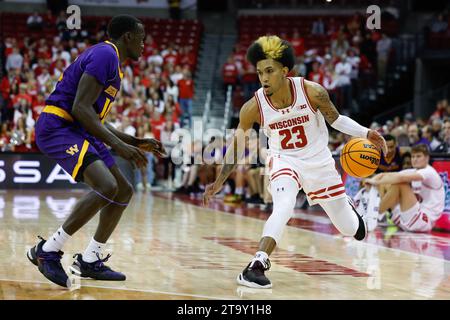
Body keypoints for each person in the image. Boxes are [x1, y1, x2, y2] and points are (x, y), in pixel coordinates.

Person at [203, 35, 387, 289]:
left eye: (269, 71)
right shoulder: (253, 107)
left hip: (319, 161)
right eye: (259, 73)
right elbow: (237, 144)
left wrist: (367, 133)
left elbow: (336, 120)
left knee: (350, 229)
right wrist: (219, 181)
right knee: (284, 205)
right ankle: (257, 264)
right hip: (283, 160)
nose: (264, 78)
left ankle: (349, 207)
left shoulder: (311, 91)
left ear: (285, 71)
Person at [26, 15, 166, 288]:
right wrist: (119, 146)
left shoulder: (112, 61)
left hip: (79, 128)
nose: (144, 44)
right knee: (106, 184)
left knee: (123, 190)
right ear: (127, 37)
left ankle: (90, 259)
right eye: (141, 38)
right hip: (58, 126)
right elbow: (79, 108)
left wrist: (134, 140)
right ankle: (49, 250)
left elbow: (93, 115)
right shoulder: (105, 54)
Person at [364, 144, 445, 233]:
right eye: (413, 156)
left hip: (424, 220)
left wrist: (376, 182)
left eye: (418, 156)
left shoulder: (430, 172)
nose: (415, 159)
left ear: (427, 158)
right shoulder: (413, 171)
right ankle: (383, 216)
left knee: (401, 183)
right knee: (387, 182)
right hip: (411, 216)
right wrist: (371, 180)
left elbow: (401, 178)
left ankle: (375, 216)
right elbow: (385, 174)